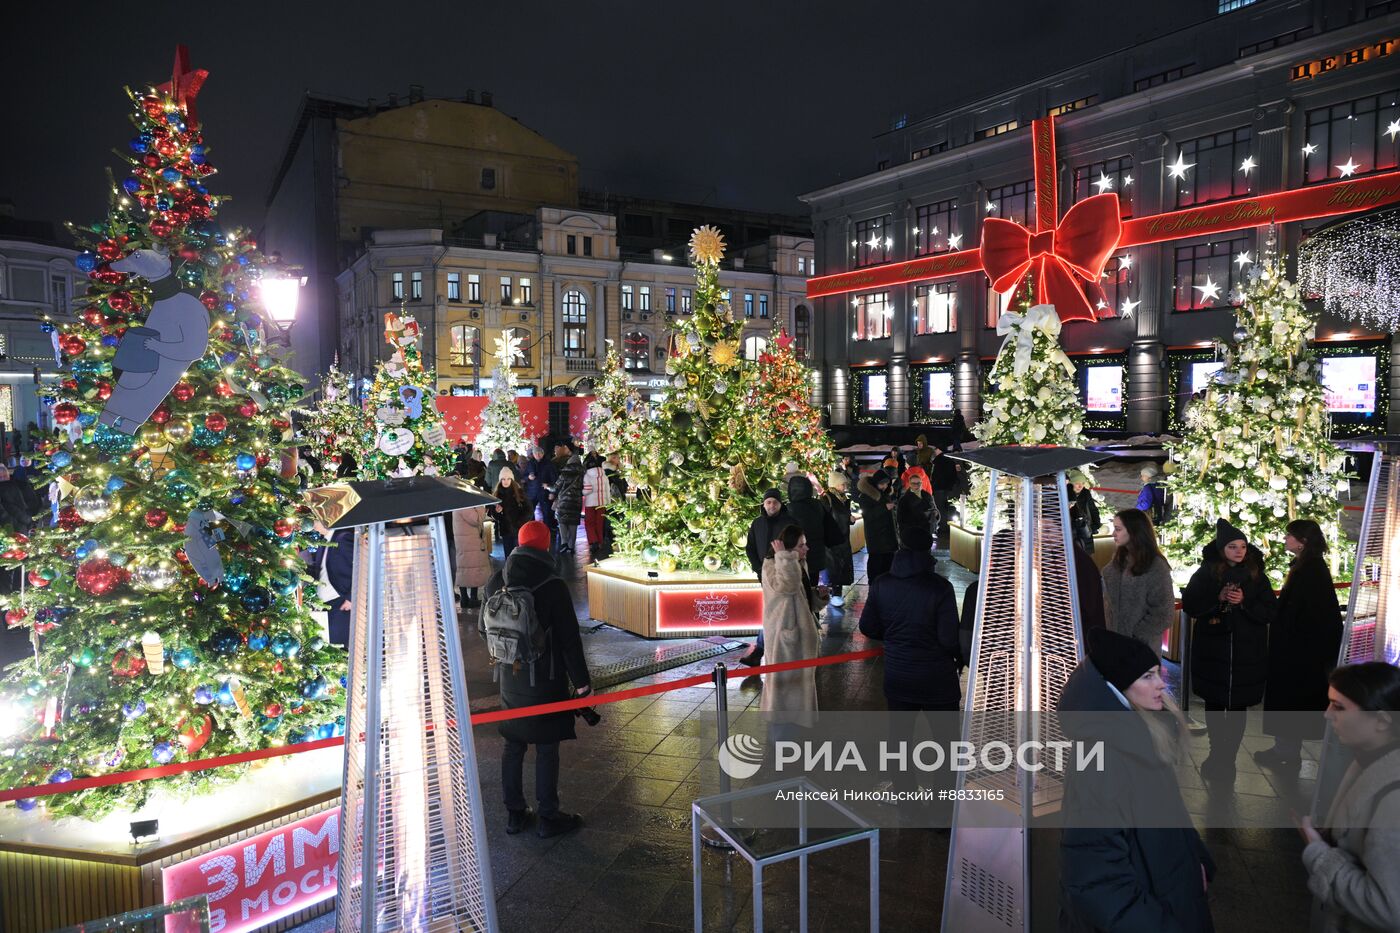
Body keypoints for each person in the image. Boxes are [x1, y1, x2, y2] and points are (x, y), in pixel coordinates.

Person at [1058, 627, 1215, 932]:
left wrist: (1196, 860)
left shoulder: (1143, 739)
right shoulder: (1102, 761)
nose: (1161, 684)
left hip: (1166, 898)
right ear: (1116, 689)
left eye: (1158, 673)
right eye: (1147, 677)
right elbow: (1096, 882)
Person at [483, 521, 593, 838]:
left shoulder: (495, 581)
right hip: (546, 678)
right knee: (547, 747)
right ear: (545, 546)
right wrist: (582, 683)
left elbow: (484, 631)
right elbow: (570, 639)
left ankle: (515, 814)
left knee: (512, 745)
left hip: (508, 677)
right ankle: (548, 816)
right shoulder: (552, 585)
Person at [1299, 662, 1400, 933]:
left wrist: (1319, 853)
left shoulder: (1393, 795)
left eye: (1339, 707)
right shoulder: (1367, 759)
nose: (1327, 715)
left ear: (1381, 720)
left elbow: (1388, 907)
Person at [1182, 518, 1277, 783]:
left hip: (1247, 654)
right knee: (1215, 704)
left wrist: (1245, 604)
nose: (1239, 551)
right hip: (1214, 651)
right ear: (1222, 549)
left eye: (1243, 546)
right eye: (1233, 546)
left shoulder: (1257, 576)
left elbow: (1270, 611)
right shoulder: (1206, 573)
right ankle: (1216, 753)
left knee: (1237, 709)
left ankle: (1229, 758)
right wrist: (1218, 599)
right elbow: (1191, 604)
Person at [1256, 519, 1344, 769]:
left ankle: (1286, 752)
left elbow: (1311, 614)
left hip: (1300, 654)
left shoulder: (1310, 571)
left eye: (1290, 535)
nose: (1285, 539)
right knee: (1291, 701)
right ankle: (1285, 749)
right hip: (1299, 651)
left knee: (1291, 702)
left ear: (1303, 542)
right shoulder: (1307, 567)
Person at [858, 525, 960, 710]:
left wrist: (893, 635)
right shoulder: (941, 588)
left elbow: (867, 626)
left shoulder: (882, 583)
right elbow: (949, 638)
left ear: (901, 545)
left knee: (900, 736)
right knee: (945, 737)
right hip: (937, 678)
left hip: (898, 674)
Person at [760, 524, 820, 727]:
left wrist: (819, 597)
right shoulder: (772, 564)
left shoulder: (797, 562)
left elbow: (800, 595)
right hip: (784, 636)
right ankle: (781, 739)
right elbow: (787, 586)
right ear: (789, 548)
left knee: (799, 688)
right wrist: (784, 557)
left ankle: (794, 736)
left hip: (798, 635)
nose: (806, 548)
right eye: (801, 545)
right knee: (784, 691)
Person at [1102, 509, 1175, 654]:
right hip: (1115, 645)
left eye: (1118, 529)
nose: (1113, 534)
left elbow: (1164, 613)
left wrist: (1135, 635)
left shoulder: (1156, 566)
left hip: (1141, 649)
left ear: (1134, 531)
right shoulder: (1116, 563)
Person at [785, 474, 841, 597]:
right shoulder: (817, 505)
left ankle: (804, 614)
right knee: (812, 588)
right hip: (817, 555)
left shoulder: (789, 509)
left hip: (797, 556)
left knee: (799, 592)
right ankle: (813, 614)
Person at [820, 470, 856, 607]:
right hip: (832, 538)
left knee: (841, 566)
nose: (845, 487)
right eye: (842, 484)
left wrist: (850, 519)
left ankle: (837, 593)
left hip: (843, 537)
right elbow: (826, 519)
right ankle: (833, 593)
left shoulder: (843, 499)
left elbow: (846, 516)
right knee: (833, 566)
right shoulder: (826, 499)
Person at [857, 469, 899, 582]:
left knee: (888, 562)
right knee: (876, 563)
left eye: (886, 483)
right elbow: (868, 516)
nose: (885, 486)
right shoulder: (866, 496)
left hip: (888, 536)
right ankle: (874, 585)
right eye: (882, 483)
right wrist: (884, 508)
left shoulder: (886, 494)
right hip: (876, 536)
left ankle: (886, 584)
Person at [452, 502, 493, 609]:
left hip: (467, 541)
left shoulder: (459, 504)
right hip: (469, 542)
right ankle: (468, 599)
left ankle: (467, 598)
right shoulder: (464, 504)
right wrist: (480, 506)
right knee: (469, 568)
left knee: (468, 568)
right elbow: (476, 519)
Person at [491, 467, 531, 560]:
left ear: (512, 479)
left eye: (508, 479)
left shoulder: (519, 492)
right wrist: (497, 512)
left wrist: (520, 522)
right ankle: (509, 573)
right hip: (506, 531)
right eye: (503, 479)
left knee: (518, 556)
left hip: (519, 529)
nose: (506, 481)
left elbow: (528, 510)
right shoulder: (497, 494)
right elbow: (494, 515)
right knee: (508, 556)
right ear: (500, 480)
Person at [523, 445, 559, 544]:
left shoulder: (549, 464)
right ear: (533, 454)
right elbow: (524, 477)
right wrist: (528, 478)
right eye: (535, 453)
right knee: (530, 513)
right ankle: (531, 532)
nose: (537, 455)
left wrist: (552, 492)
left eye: (539, 453)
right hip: (532, 493)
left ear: (543, 454)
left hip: (545, 492)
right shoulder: (530, 463)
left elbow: (555, 479)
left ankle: (548, 534)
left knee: (547, 514)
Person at [580, 454, 612, 560]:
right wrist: (607, 501)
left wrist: (581, 492)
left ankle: (593, 542)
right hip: (602, 502)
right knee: (599, 523)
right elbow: (608, 490)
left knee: (589, 523)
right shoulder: (604, 475)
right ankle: (600, 542)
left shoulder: (587, 475)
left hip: (590, 503)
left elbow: (587, 490)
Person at [553, 452, 584, 554]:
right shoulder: (582, 473)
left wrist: (546, 487)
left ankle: (564, 543)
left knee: (562, 522)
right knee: (573, 524)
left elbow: (555, 487)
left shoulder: (564, 473)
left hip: (564, 502)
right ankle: (571, 547)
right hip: (576, 502)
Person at [897, 468, 937, 546]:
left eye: (918, 483)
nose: (916, 485)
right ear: (909, 484)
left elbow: (934, 509)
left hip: (926, 532)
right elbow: (900, 519)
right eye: (914, 483)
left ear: (921, 483)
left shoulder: (927, 496)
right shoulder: (904, 499)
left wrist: (935, 514)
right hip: (911, 534)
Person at [1068, 478, 1101, 556]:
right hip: (1071, 532)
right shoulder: (1065, 494)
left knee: (1087, 557)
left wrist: (1096, 525)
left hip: (1086, 529)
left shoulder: (1085, 493)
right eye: (1077, 483)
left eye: (1082, 483)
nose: (1080, 486)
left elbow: (1093, 509)